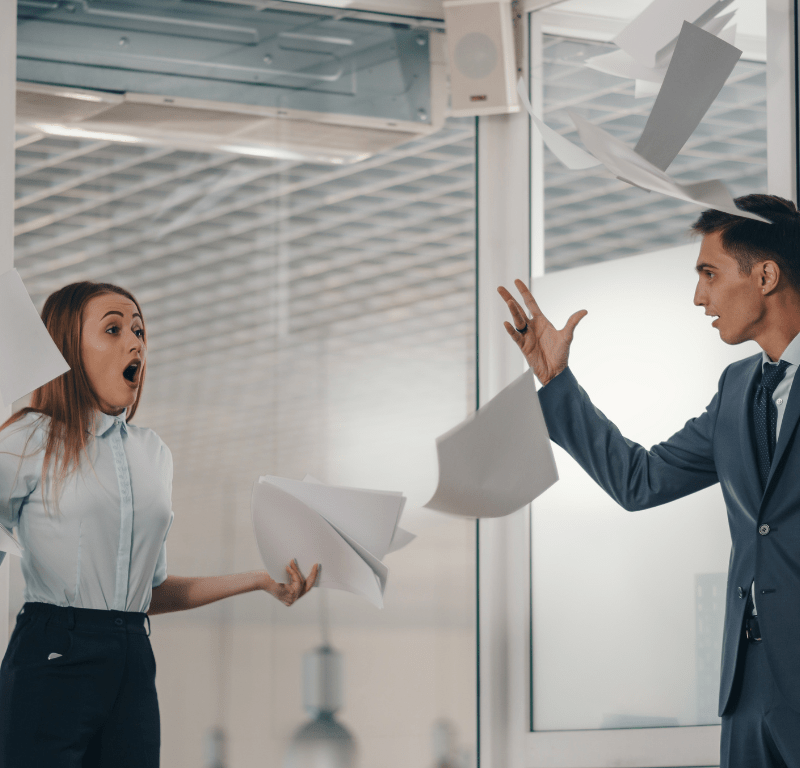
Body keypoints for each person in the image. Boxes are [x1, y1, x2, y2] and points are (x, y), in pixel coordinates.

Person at [499, 194, 800, 768]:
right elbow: (639, 481)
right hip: (748, 687)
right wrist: (556, 380)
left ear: (765, 275)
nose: (699, 296)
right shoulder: (736, 390)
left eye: (709, 274)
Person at [0, 281, 319, 767]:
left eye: (139, 330)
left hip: (132, 656)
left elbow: (148, 594)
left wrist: (259, 581)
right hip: (53, 654)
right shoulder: (28, 438)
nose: (136, 342)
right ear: (67, 349)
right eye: (113, 329)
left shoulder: (153, 455)